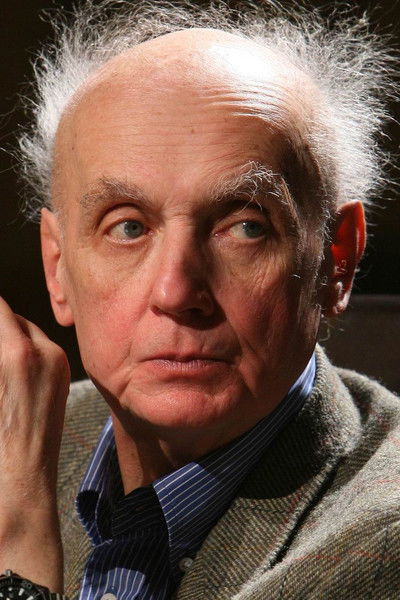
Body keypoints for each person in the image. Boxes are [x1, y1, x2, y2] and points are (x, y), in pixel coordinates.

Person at [0, 0, 399, 598]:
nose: (177, 292)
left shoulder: (381, 540)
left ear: (334, 263)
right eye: (128, 227)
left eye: (246, 227)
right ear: (58, 268)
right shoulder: (25, 441)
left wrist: (18, 546)